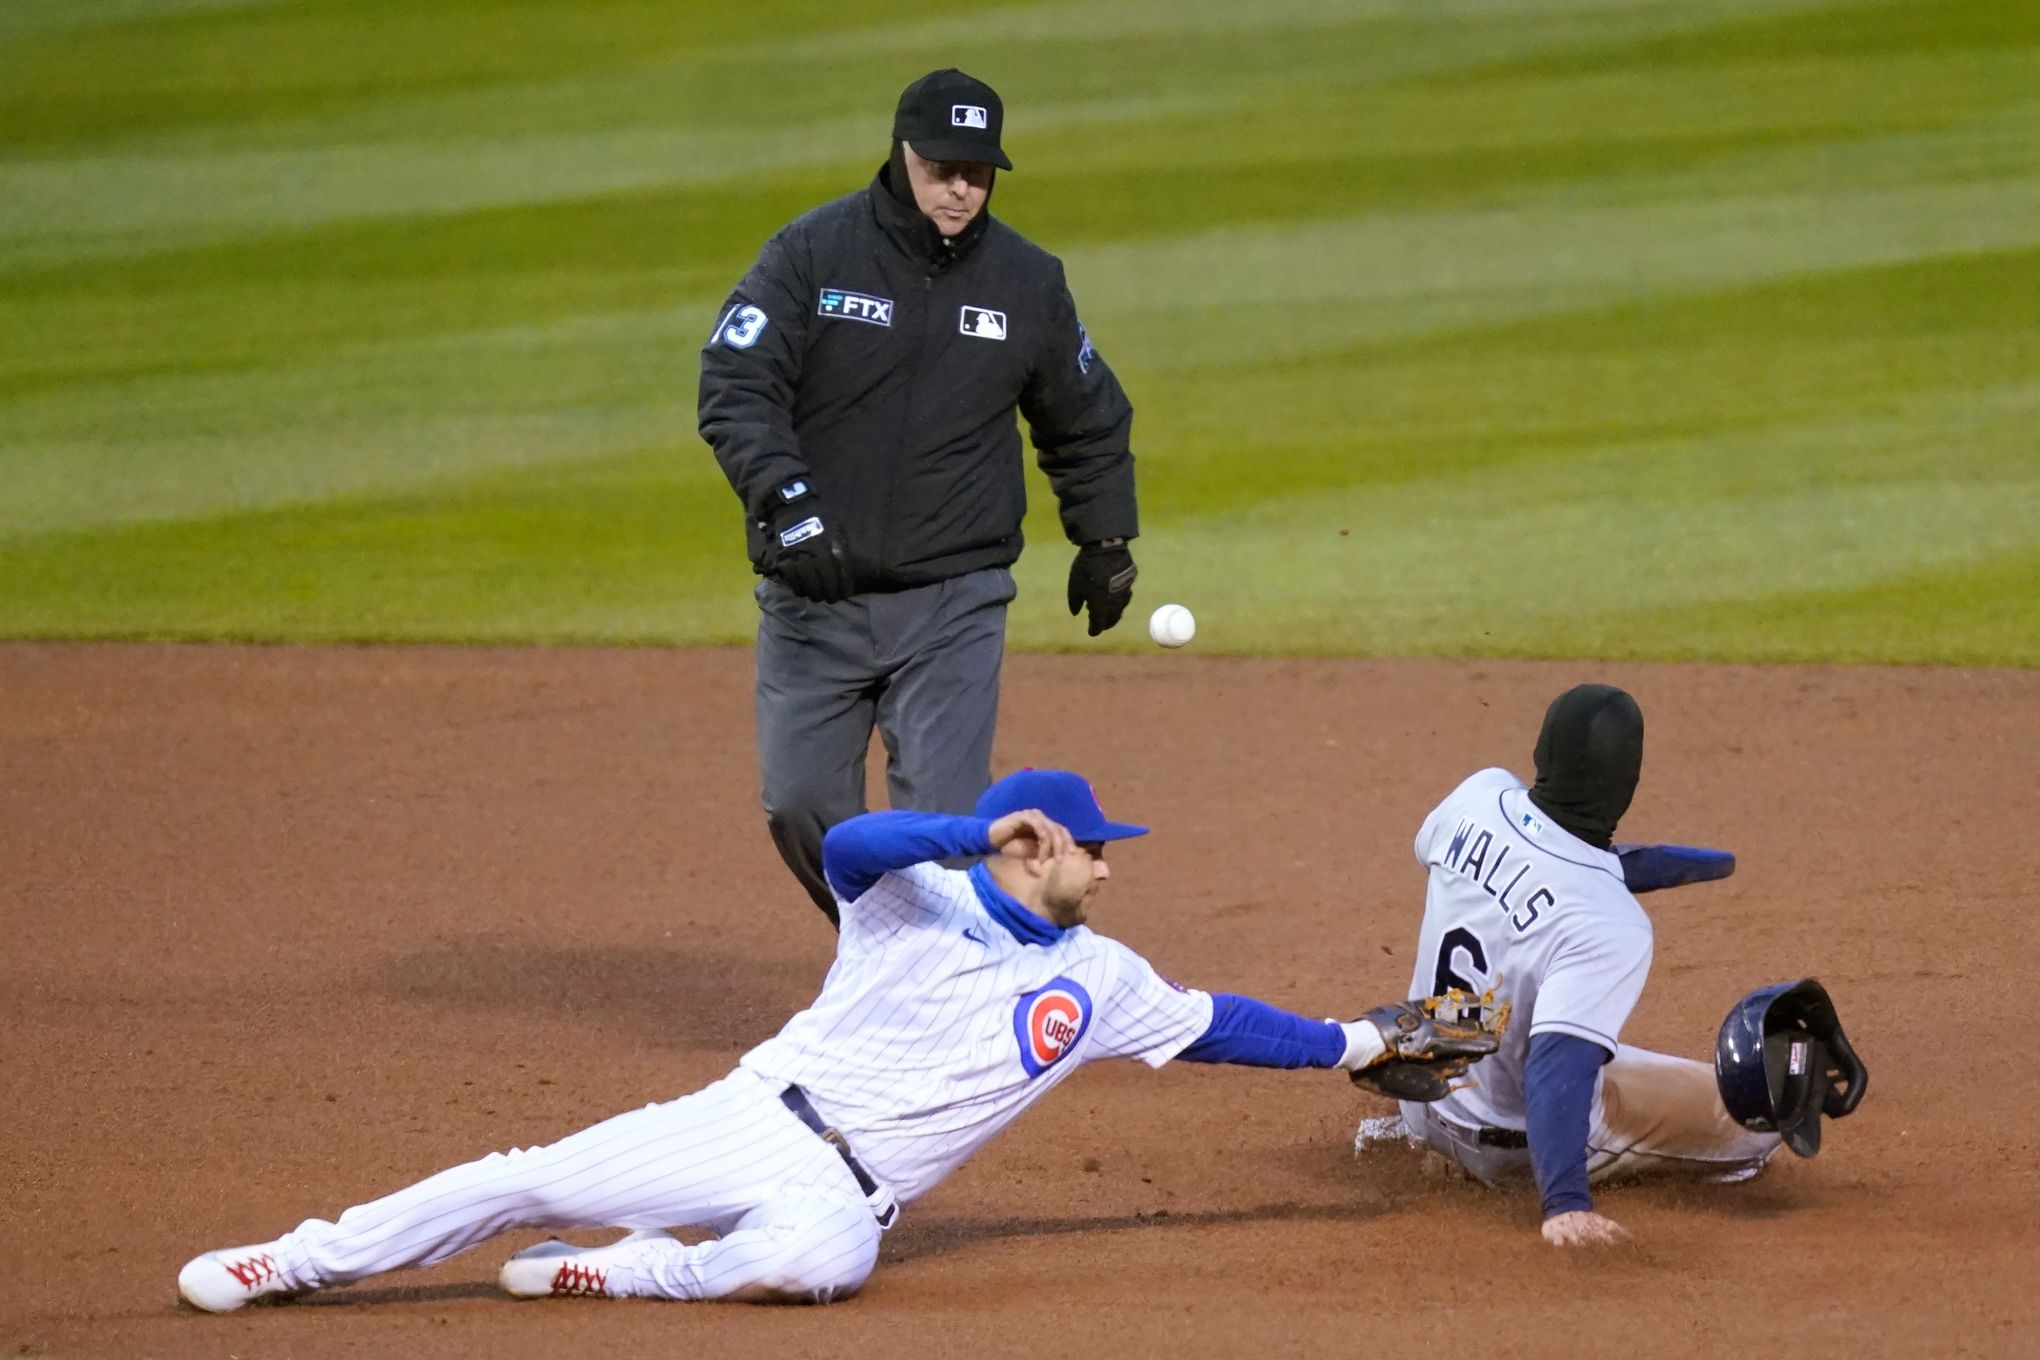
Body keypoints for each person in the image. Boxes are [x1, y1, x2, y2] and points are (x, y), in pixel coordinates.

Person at [177, 770, 1495, 1312]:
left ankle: (635, 1276)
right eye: (1097, 847)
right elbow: (848, 840)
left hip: (849, 1194)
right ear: (1039, 846)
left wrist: (1351, 1043)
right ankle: (296, 1259)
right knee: (526, 1174)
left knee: (815, 1270)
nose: (1111, 865)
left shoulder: (1102, 979)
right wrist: (968, 837)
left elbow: (1220, 1027)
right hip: (755, 1114)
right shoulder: (909, 892)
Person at [698, 68, 1142, 924]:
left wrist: (1105, 539)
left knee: (941, 822)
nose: (961, 190)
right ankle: (893, 948)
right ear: (902, 154)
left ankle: (931, 984)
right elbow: (735, 383)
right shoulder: (812, 252)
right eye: (943, 169)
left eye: (977, 173)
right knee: (801, 808)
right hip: (813, 598)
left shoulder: (1027, 281)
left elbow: (1086, 417)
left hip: (953, 602)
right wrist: (788, 500)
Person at [1359, 684, 1790, 1247]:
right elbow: (1555, 1064)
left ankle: (1425, 1136)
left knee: (1525, 1017)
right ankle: (1542, 1178)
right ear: (1628, 782)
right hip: (1510, 1142)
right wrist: (1565, 1204)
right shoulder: (1612, 926)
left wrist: (1630, 868)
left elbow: (1535, 866)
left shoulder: (1476, 797)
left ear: (1542, 752)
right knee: (1756, 1120)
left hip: (1420, 1091)